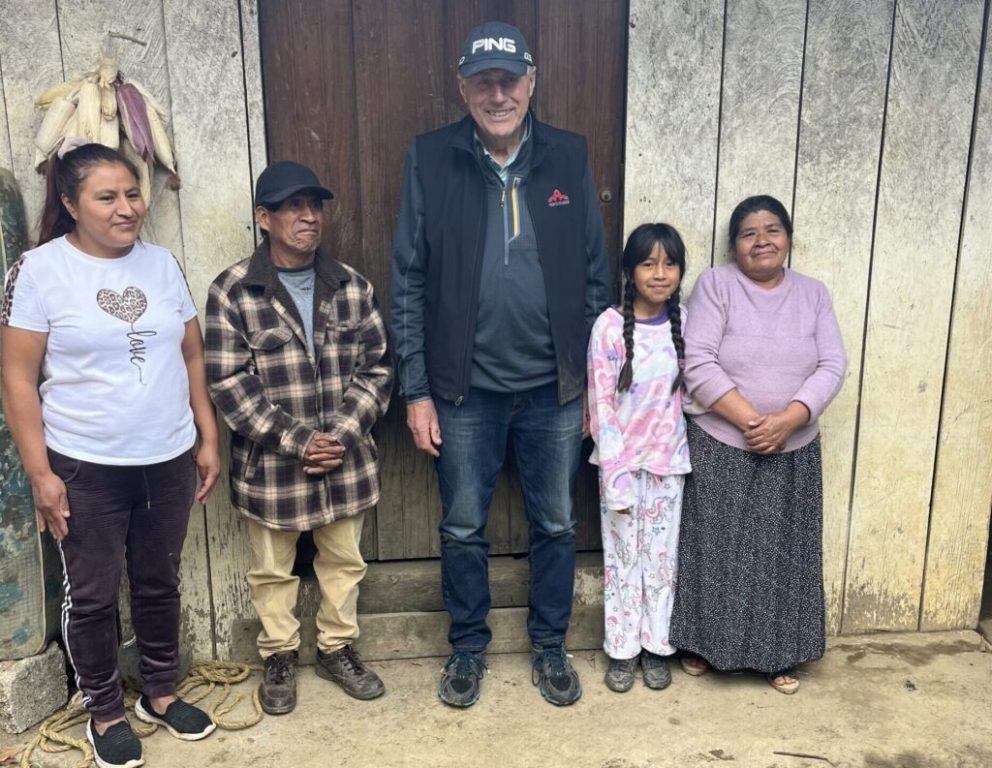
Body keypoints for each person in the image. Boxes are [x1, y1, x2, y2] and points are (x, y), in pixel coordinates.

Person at [390, 21, 611, 708]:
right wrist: (417, 390)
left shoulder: (568, 157)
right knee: (461, 525)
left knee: (555, 525)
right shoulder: (430, 158)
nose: (497, 94)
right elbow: (408, 281)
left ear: (531, 81)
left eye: (508, 80)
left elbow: (596, 278)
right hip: (463, 393)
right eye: (483, 82)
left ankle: (550, 646)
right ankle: (467, 650)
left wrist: (594, 388)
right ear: (463, 87)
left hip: (554, 389)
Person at [1, 139, 219, 768]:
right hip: (84, 463)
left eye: (132, 194)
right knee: (92, 594)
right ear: (70, 204)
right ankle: (104, 709)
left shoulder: (160, 265)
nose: (127, 208)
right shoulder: (38, 271)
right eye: (107, 197)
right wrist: (40, 474)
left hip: (167, 455)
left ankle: (160, 690)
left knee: (159, 580)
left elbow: (191, 354)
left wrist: (205, 436)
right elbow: (17, 378)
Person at [205, 161, 392, 715]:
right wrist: (297, 441)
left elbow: (377, 369)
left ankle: (337, 648)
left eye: (314, 206)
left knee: (343, 560)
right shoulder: (235, 291)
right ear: (264, 218)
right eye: (292, 207)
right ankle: (279, 655)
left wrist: (340, 433)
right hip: (272, 465)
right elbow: (228, 381)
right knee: (271, 567)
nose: (308, 216)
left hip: (344, 458)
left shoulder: (352, 287)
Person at [669, 195, 847, 694]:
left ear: (788, 238)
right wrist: (753, 421)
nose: (762, 240)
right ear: (734, 246)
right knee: (716, 548)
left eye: (772, 229)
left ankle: (780, 653)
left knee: (783, 552)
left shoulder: (813, 294)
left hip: (793, 445)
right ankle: (706, 645)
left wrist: (789, 419)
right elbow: (697, 360)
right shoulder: (717, 286)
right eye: (749, 233)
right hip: (722, 438)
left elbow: (832, 364)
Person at [587, 223, 691, 693]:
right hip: (623, 467)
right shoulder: (609, 327)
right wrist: (614, 474)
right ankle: (623, 649)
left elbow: (697, 393)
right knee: (624, 560)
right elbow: (601, 406)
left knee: (661, 561)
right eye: (648, 263)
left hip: (669, 464)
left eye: (669, 263)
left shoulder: (685, 323)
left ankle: (656, 647)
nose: (660, 273)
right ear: (629, 272)